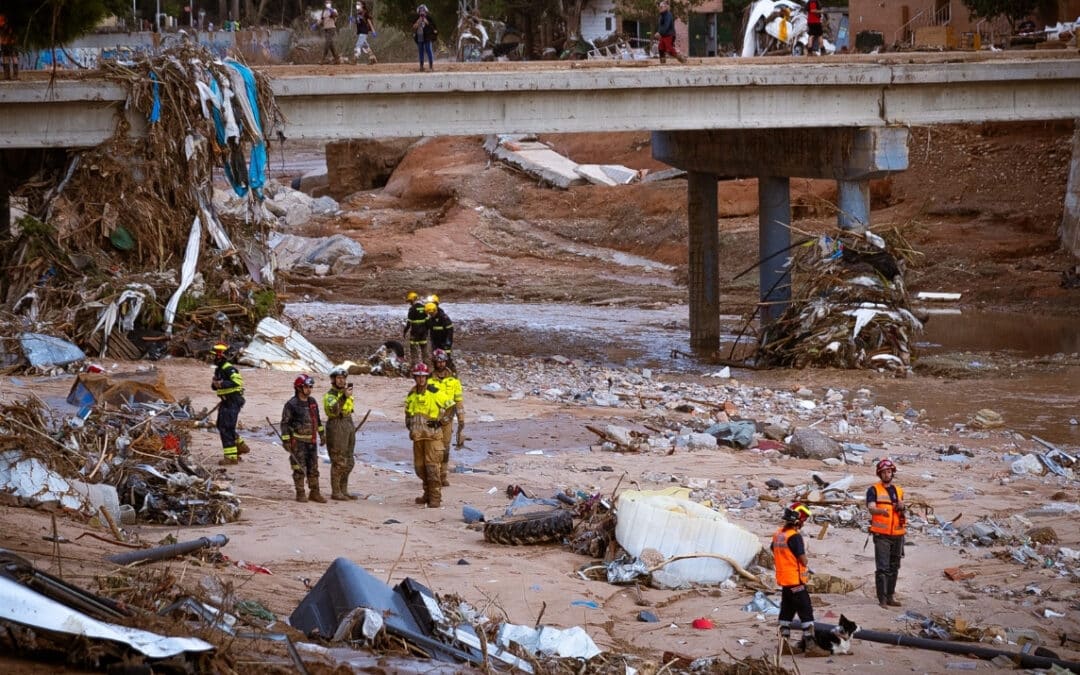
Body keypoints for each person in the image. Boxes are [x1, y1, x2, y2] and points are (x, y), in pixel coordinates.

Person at [404, 363, 451, 508]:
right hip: (418, 438)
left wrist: (441, 422)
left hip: (432, 438)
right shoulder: (412, 394)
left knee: (432, 468)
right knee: (420, 468)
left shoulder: (434, 391)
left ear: (426, 377)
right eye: (418, 377)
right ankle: (427, 493)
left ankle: (435, 498)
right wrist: (410, 426)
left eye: (423, 377)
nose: (420, 379)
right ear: (414, 377)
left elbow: (450, 407)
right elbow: (408, 413)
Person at [772, 502, 815, 647]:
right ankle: (810, 644)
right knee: (805, 610)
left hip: (784, 580)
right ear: (798, 521)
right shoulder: (795, 537)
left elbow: (775, 551)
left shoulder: (778, 535)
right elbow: (802, 559)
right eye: (803, 521)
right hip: (795, 580)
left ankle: (783, 643)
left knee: (786, 611)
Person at [282, 374, 328, 503]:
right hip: (298, 442)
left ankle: (315, 492)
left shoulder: (312, 402)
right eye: (307, 387)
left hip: (312, 442)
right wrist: (286, 441)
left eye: (311, 387)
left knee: (313, 468)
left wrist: (322, 435)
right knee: (299, 468)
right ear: (299, 388)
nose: (309, 389)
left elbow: (317, 420)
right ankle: (300, 493)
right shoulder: (291, 404)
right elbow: (285, 423)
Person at [867, 458, 905, 608]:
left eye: (889, 471)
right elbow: (871, 507)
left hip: (898, 534)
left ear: (892, 473)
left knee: (894, 566)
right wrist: (880, 511)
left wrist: (902, 506)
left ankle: (890, 596)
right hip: (881, 535)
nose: (887, 474)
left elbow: (902, 510)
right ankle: (882, 599)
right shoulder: (873, 490)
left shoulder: (899, 490)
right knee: (882, 568)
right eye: (884, 472)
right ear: (879, 474)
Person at [429, 349, 465, 486]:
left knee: (445, 448)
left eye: (443, 361)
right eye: (438, 362)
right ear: (434, 363)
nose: (440, 364)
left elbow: (458, 400)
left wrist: (461, 419)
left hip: (448, 419)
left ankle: (443, 475)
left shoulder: (453, 380)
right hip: (433, 419)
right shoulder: (429, 380)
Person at [323, 366, 358, 501]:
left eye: (343, 378)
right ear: (333, 380)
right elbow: (333, 410)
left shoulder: (347, 393)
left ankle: (344, 489)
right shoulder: (330, 396)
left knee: (349, 460)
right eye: (338, 378)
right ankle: (336, 491)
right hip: (336, 425)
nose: (341, 381)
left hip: (348, 423)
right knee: (338, 460)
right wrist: (343, 396)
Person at [210, 343, 249, 465]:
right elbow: (215, 386)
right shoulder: (219, 370)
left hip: (233, 401)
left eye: (215, 356)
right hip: (225, 401)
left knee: (226, 427)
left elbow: (237, 382)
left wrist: (222, 384)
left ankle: (231, 457)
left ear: (221, 357)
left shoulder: (229, 368)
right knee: (221, 425)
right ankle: (239, 445)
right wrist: (215, 385)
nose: (213, 358)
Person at [402, 291, 432, 367]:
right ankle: (427, 367)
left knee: (414, 351)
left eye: (410, 301)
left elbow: (409, 323)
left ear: (412, 300)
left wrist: (405, 332)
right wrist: (427, 331)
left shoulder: (412, 309)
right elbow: (427, 321)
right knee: (424, 350)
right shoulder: (424, 307)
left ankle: (415, 367)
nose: (409, 303)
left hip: (415, 333)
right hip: (423, 333)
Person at [427, 295, 455, 368]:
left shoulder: (443, 317)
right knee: (436, 360)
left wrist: (447, 344)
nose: (430, 315)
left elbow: (450, 332)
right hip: (436, 343)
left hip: (444, 343)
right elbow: (431, 330)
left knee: (446, 360)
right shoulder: (431, 319)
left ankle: (451, 373)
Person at [412, 4, 437, 72]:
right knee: (421, 51)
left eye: (423, 11)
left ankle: (431, 66)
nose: (422, 12)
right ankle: (421, 66)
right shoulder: (417, 18)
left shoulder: (429, 18)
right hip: (420, 36)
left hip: (427, 36)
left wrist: (427, 22)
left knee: (428, 50)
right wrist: (418, 22)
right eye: (420, 11)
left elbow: (434, 28)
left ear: (426, 11)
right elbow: (413, 27)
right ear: (418, 12)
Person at [319, 1, 341, 65]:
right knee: (331, 44)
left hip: (332, 28)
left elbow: (336, 15)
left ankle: (323, 58)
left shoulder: (333, 10)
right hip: (326, 29)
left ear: (331, 4)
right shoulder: (324, 11)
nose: (327, 4)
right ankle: (336, 58)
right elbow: (321, 19)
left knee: (327, 43)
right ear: (325, 4)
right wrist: (315, 24)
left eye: (329, 3)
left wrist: (331, 10)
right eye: (326, 3)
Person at [1, 13, 18, 81]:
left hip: (12, 44)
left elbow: (13, 36)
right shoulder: (2, 28)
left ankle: (15, 75)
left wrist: (7, 40)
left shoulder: (9, 27)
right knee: (5, 59)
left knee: (14, 58)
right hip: (4, 45)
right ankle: (6, 75)